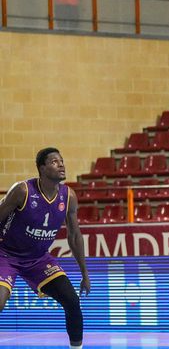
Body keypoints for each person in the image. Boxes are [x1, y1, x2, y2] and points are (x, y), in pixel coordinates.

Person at [0, 148, 90, 349]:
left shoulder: (69, 196)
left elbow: (74, 235)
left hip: (38, 259)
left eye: (62, 161)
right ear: (42, 168)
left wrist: (85, 272)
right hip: (6, 254)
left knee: (72, 301)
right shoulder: (22, 191)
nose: (61, 165)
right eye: (54, 162)